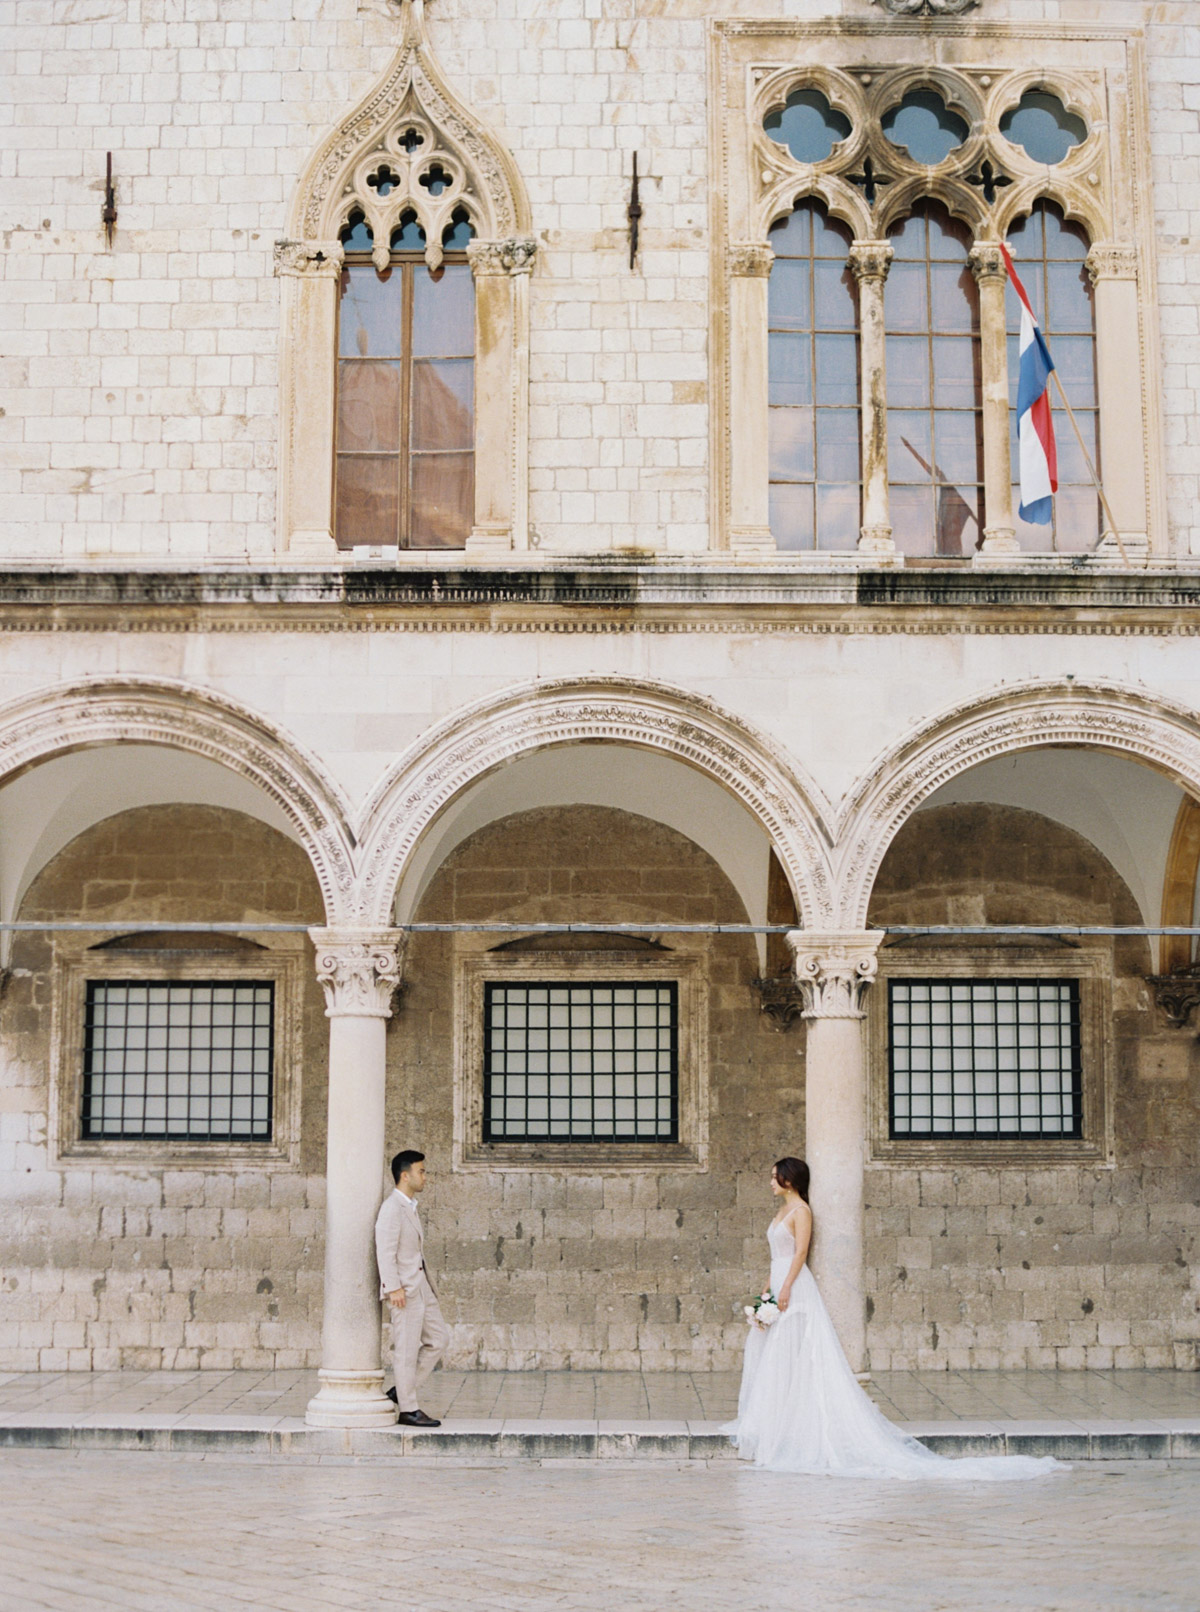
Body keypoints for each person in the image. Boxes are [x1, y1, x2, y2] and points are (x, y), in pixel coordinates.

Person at [723, 1156, 1062, 1479]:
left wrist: (786, 1287)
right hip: (778, 1280)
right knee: (774, 1354)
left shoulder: (801, 1210)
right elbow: (776, 1257)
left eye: (774, 1176)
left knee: (795, 1350)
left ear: (789, 1179)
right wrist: (765, 1291)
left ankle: (796, 1427)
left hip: (795, 1287)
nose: (770, 1182)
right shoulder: (781, 1211)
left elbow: (800, 1253)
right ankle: (778, 1423)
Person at [374, 1148, 449, 1428]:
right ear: (405, 1176)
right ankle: (408, 1409)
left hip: (421, 1287)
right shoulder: (392, 1208)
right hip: (404, 1290)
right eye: (421, 1171)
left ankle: (401, 1391)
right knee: (406, 1351)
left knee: (438, 1339)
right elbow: (385, 1250)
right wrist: (393, 1287)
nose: (425, 1176)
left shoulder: (410, 1207)